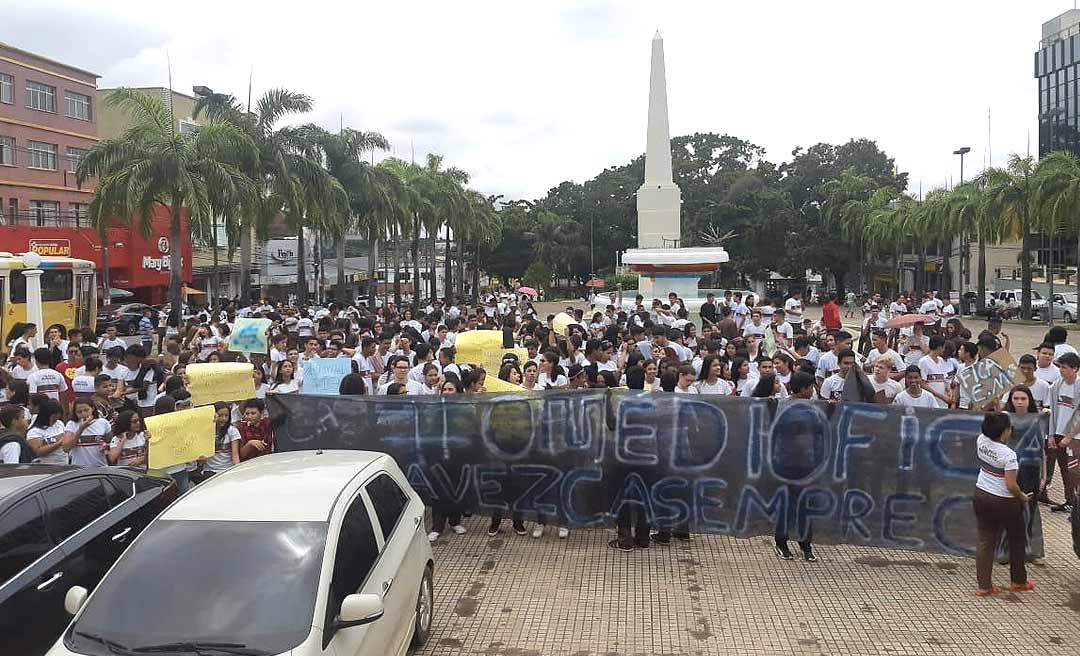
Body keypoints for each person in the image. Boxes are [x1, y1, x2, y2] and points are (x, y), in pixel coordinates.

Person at [972, 411, 1033, 597]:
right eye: (1009, 428)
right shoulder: (1009, 455)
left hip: (981, 495)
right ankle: (1018, 581)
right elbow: (1010, 485)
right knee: (1016, 538)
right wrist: (1022, 497)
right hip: (1004, 501)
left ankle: (984, 586)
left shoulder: (981, 440)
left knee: (985, 541)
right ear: (1004, 432)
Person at [1001, 386, 1045, 565]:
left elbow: (1042, 449)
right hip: (1010, 470)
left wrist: (1044, 475)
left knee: (1030, 511)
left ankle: (1029, 551)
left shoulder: (1039, 420)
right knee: (1008, 510)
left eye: (1023, 398)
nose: (1019, 402)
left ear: (1030, 401)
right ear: (1011, 400)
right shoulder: (1004, 418)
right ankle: (1004, 550)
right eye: (1016, 398)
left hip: (1031, 471)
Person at [1047, 352, 1080, 513]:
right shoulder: (1057, 385)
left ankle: (1076, 504)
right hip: (1059, 433)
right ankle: (1069, 501)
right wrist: (1052, 434)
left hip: (1075, 437)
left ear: (1075, 369)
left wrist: (1070, 436)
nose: (1061, 370)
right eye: (1060, 367)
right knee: (1064, 470)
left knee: (1074, 471)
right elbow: (1053, 410)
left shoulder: (1078, 386)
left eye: (1065, 368)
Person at [63, 398, 112, 467]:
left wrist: (106, 446)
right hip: (79, 469)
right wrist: (81, 429)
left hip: (100, 467)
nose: (83, 414)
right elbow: (66, 447)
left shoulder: (103, 423)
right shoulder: (72, 424)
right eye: (79, 412)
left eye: (86, 410)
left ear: (92, 409)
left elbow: (109, 441)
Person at [26, 398, 68, 464]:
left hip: (63, 464)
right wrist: (59, 442)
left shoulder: (59, 423)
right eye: (53, 417)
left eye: (57, 417)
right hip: (46, 468)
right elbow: (39, 452)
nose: (55, 420)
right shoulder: (34, 432)